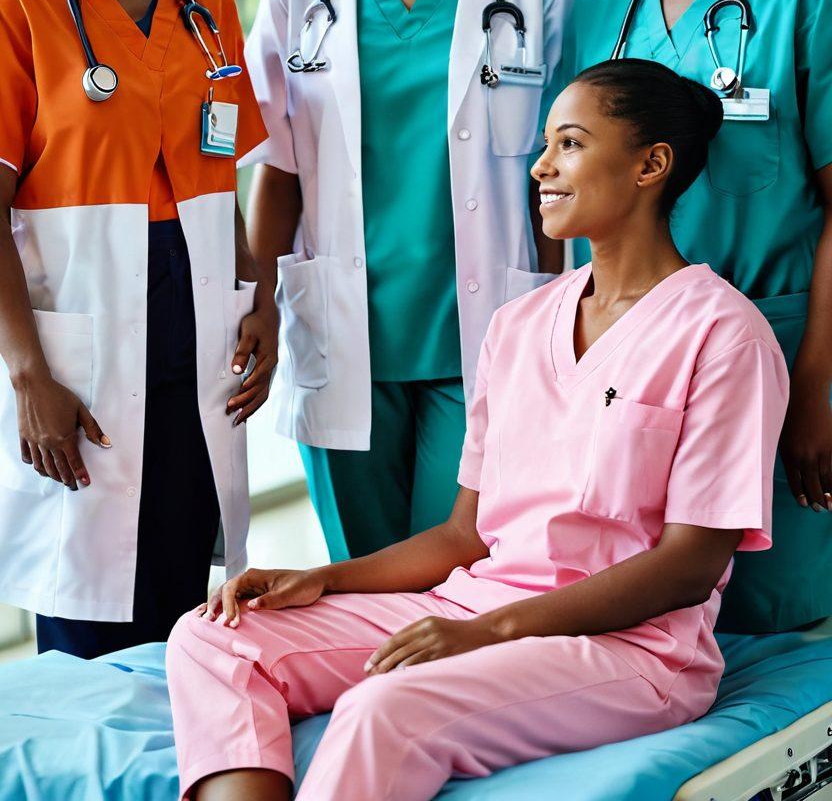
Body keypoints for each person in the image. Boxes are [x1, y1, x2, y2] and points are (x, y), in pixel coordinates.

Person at [166, 58, 789, 801]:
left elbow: (690, 565)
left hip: (630, 650)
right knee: (214, 636)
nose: (541, 167)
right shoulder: (518, 325)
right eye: (546, 144)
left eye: (570, 144)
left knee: (386, 707)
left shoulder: (723, 336)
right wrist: (322, 579)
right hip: (472, 603)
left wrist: (491, 634)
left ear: (651, 165)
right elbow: (466, 536)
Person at [243, 0, 573, 561]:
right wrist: (259, 305)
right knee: (359, 572)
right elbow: (278, 168)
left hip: (486, 329)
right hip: (344, 328)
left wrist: (555, 311)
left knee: (457, 569)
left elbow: (557, 171)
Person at [0, 0, 277, 658]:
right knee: (88, 613)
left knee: (183, 610)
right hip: (82, 343)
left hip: (195, 330)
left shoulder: (209, 7)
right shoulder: (21, 4)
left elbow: (223, 176)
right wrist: (29, 374)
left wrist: (257, 299)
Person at [572, 0, 832, 633]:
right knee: (643, 618)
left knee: (774, 621)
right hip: (635, 367)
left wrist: (814, 390)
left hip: (778, 355)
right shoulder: (601, 4)